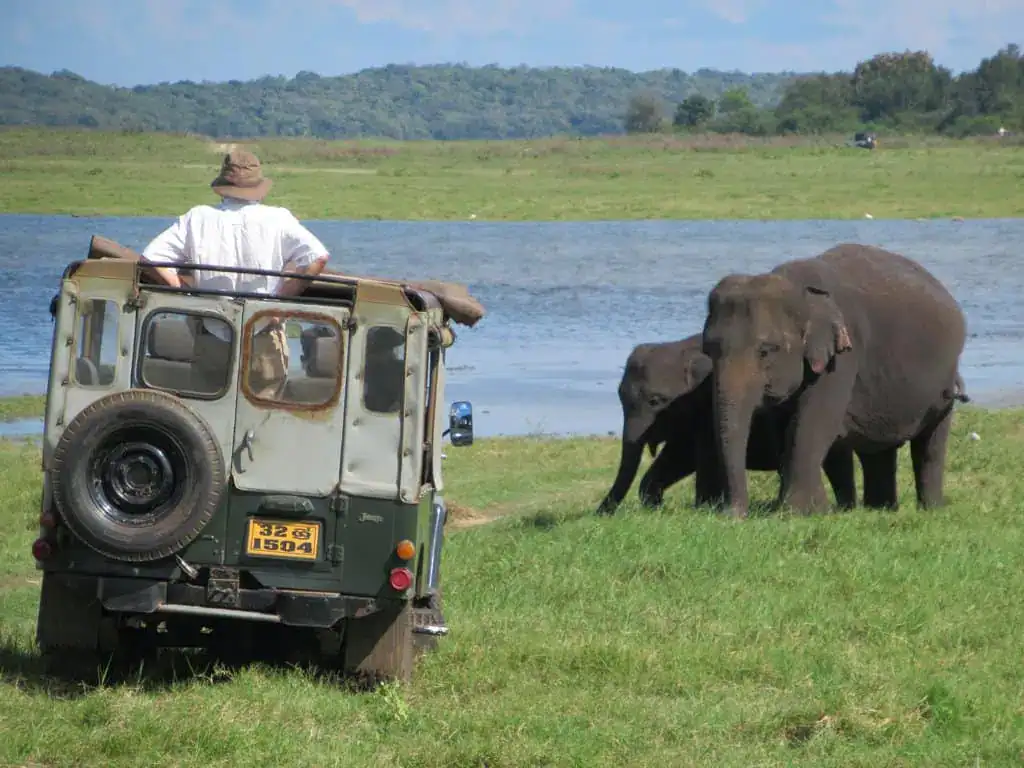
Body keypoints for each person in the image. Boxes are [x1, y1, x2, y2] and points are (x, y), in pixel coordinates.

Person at [141, 149, 330, 398]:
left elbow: (151, 257)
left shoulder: (197, 218)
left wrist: (184, 292)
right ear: (258, 187)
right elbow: (319, 256)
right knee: (264, 412)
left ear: (223, 185)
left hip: (213, 334)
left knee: (208, 411)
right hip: (262, 333)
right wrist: (280, 301)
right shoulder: (278, 219)